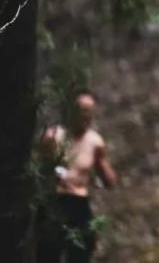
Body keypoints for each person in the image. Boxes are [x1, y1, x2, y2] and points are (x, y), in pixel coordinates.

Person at [36, 89, 118, 263]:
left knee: (82, 252)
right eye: (82, 110)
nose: (86, 116)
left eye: (90, 111)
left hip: (79, 204)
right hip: (55, 202)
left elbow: (108, 178)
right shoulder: (54, 136)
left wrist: (106, 177)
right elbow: (38, 169)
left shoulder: (95, 142)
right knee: (48, 253)